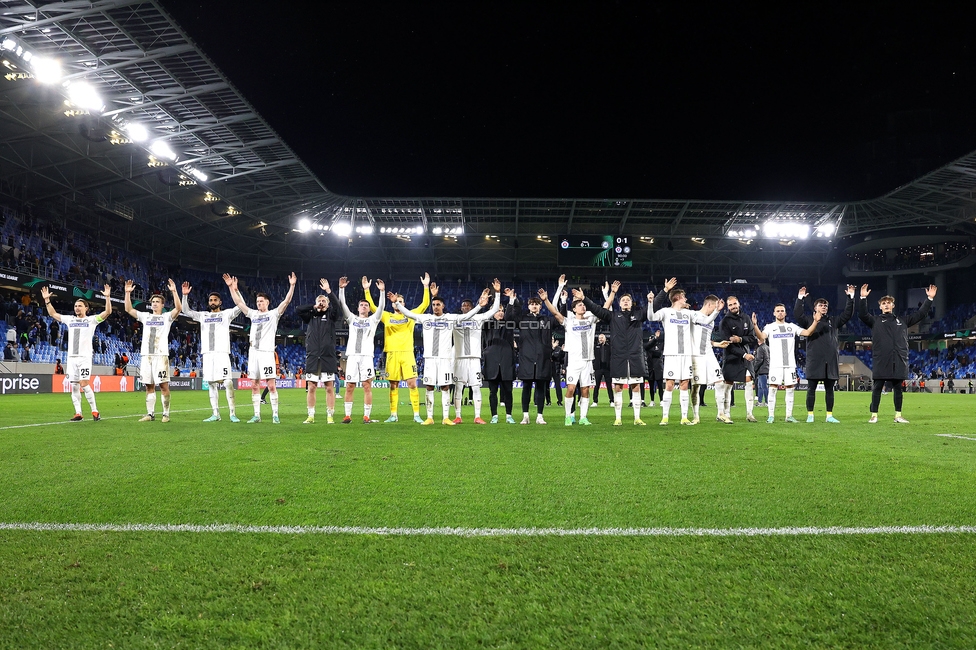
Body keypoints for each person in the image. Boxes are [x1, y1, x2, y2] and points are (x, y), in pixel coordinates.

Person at [394, 291, 484, 425]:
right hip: (430, 359)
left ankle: (445, 417)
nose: (435, 307)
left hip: (445, 359)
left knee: (445, 387)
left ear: (443, 306)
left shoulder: (450, 318)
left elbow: (467, 316)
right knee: (429, 386)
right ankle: (429, 417)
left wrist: (479, 306)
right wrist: (397, 303)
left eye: (438, 304)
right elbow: (409, 314)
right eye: (434, 304)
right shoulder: (426, 318)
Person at [858, 284, 936, 423]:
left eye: (889, 303)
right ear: (880, 307)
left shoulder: (902, 320)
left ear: (893, 305)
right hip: (882, 359)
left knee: (898, 388)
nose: (886, 305)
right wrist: (863, 297)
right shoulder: (875, 321)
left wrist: (929, 298)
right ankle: (874, 415)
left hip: (898, 359)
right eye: (884, 303)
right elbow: (862, 314)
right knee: (877, 388)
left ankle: (898, 416)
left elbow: (920, 314)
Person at [227, 272, 297, 423]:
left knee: (271, 385)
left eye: (261, 301)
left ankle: (275, 415)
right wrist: (232, 288)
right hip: (253, 353)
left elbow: (286, 302)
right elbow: (239, 303)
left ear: (267, 303)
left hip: (266, 353)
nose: (259, 304)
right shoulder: (252, 314)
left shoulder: (273, 314)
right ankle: (257, 415)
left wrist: (292, 286)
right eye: (258, 301)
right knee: (254, 385)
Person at [364, 274, 431, 423]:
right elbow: (373, 307)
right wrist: (367, 290)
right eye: (396, 301)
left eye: (401, 301)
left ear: (404, 303)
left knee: (412, 383)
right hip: (392, 353)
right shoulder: (386, 316)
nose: (398, 303)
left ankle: (416, 415)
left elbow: (425, 304)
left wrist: (426, 287)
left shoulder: (411, 315)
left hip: (407, 353)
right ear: (392, 304)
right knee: (393, 384)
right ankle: (393, 415)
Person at [581, 281, 650, 426]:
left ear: (632, 303)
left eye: (628, 300)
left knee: (636, 386)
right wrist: (584, 299)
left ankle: (637, 418)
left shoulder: (639, 315)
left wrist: (661, 292)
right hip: (618, 357)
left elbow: (653, 307)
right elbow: (596, 310)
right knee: (618, 386)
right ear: (619, 304)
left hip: (635, 356)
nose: (625, 302)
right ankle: (618, 418)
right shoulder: (613, 316)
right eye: (623, 300)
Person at [649, 287, 721, 425]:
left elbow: (706, 321)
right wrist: (650, 303)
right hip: (671, 354)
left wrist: (717, 311)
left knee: (684, 384)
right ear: (677, 298)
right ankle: (665, 417)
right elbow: (651, 317)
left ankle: (684, 417)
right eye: (684, 296)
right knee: (669, 385)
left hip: (686, 354)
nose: (686, 299)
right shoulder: (666, 312)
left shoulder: (689, 313)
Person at [41, 283, 111, 421]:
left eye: (79, 305)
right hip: (72, 358)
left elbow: (107, 312)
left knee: (84, 384)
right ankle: (78, 413)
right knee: (74, 386)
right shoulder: (70, 319)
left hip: (84, 357)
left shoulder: (91, 320)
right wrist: (47, 300)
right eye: (75, 306)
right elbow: (53, 314)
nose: (77, 308)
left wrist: (107, 297)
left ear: (86, 308)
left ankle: (95, 411)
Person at [181, 280, 242, 422]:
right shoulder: (204, 315)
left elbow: (240, 305)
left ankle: (232, 413)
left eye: (215, 300)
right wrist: (184, 296)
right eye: (210, 300)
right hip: (207, 354)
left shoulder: (226, 314)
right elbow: (186, 311)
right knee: (211, 384)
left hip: (222, 353)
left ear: (220, 302)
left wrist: (235, 289)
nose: (212, 302)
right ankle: (216, 414)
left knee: (227, 382)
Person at [540, 280, 598, 426]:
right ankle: (568, 415)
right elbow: (554, 312)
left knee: (585, 390)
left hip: (588, 361)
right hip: (574, 361)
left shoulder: (592, 320)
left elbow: (605, 308)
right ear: (574, 310)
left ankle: (583, 417)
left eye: (583, 304)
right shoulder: (569, 322)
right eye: (580, 305)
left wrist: (611, 294)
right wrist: (546, 300)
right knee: (571, 388)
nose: (583, 306)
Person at [794, 285, 855, 422]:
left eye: (825, 305)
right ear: (815, 308)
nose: (824, 307)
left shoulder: (833, 321)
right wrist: (800, 299)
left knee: (830, 389)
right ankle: (810, 415)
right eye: (821, 305)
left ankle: (829, 415)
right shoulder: (809, 321)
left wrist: (850, 298)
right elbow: (798, 315)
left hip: (830, 360)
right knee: (811, 388)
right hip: (815, 360)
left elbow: (847, 314)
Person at [124, 279, 181, 423]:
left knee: (163, 385)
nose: (154, 303)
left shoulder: (166, 317)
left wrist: (174, 291)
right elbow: (128, 309)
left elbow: (178, 308)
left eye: (157, 302)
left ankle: (166, 414)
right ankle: (150, 414)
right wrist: (127, 293)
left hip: (161, 355)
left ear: (162, 305)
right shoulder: (146, 316)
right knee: (149, 386)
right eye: (153, 301)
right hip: (146, 356)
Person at [754, 304, 820, 423]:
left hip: (790, 364)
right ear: (774, 313)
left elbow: (807, 333)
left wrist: (815, 322)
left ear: (785, 313)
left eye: (782, 311)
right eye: (778, 311)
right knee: (773, 389)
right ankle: (771, 416)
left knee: (790, 389)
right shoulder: (769, 327)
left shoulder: (791, 327)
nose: (780, 313)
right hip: (775, 365)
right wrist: (755, 325)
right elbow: (761, 337)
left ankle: (788, 416)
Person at [337, 276, 386, 423]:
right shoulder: (352, 319)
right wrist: (341, 289)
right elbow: (342, 304)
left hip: (366, 357)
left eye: (366, 305)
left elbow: (382, 308)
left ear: (369, 308)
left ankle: (366, 416)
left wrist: (382, 292)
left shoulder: (373, 320)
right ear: (358, 308)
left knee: (366, 385)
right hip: (352, 356)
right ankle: (347, 415)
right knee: (350, 386)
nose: (364, 307)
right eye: (362, 305)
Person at [452, 280, 501, 424]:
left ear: (473, 307)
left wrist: (497, 293)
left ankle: (477, 416)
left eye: (468, 305)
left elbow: (494, 310)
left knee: (476, 387)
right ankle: (458, 416)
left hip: (474, 359)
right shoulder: (455, 320)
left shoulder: (479, 318)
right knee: (458, 387)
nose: (465, 307)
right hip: (459, 358)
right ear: (461, 308)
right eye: (463, 306)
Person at [296, 280, 342, 424]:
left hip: (328, 356)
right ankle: (310, 415)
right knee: (312, 387)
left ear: (328, 304)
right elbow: (298, 309)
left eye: (324, 301)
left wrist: (329, 291)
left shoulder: (331, 316)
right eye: (319, 300)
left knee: (329, 387)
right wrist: (314, 307)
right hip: (313, 356)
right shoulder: (311, 315)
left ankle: (330, 415)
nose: (322, 303)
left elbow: (338, 309)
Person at [516, 289, 557, 425]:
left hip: (542, 359)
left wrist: (551, 299)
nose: (534, 305)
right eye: (532, 303)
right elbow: (510, 317)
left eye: (537, 304)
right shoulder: (522, 320)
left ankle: (540, 415)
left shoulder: (546, 320)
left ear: (540, 306)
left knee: (541, 388)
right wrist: (512, 301)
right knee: (526, 387)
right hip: (526, 358)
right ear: (528, 306)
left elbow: (558, 315)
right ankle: (525, 416)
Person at [716, 295, 758, 424]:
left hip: (745, 355)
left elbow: (752, 338)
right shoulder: (724, 322)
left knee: (749, 382)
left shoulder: (746, 318)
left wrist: (739, 339)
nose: (733, 306)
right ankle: (725, 414)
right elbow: (727, 344)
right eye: (730, 305)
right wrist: (743, 354)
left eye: (735, 304)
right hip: (731, 357)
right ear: (728, 307)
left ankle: (750, 414)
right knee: (728, 386)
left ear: (739, 303)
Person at [482, 287, 520, 423]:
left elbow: (511, 314)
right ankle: (494, 416)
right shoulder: (486, 324)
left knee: (508, 391)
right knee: (492, 392)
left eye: (502, 310)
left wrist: (511, 299)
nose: (500, 313)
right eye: (497, 310)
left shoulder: (508, 324)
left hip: (506, 361)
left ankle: (509, 415)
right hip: (491, 361)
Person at [592, 333, 611, 406]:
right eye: (600, 338)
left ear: (605, 339)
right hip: (598, 368)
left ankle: (612, 401)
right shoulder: (595, 347)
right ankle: (595, 401)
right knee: (596, 385)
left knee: (609, 385)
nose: (601, 339)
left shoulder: (609, 346)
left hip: (607, 368)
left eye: (602, 338)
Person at [753, 341, 769, 407]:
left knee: (763, 386)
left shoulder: (760, 348)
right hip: (765, 368)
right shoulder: (767, 347)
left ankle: (767, 402)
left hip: (762, 369)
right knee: (760, 386)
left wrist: (754, 369)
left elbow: (759, 360)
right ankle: (760, 402)